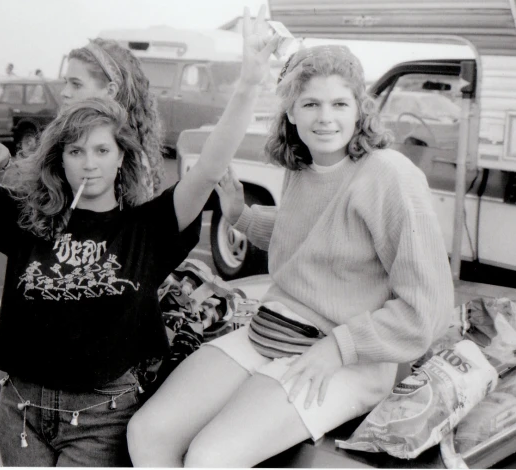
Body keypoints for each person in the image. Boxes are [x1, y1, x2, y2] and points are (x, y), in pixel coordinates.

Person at [0, 5, 278, 467]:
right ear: (59, 160)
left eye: (102, 150)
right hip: (22, 413)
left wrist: (247, 84)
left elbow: (208, 166)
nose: (89, 162)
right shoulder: (29, 221)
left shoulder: (146, 228)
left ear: (122, 158)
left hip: (101, 418)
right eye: (76, 150)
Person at [125, 44, 456, 468]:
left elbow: (427, 309)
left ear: (360, 109)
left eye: (340, 103)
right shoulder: (303, 168)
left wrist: (337, 349)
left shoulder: (389, 175)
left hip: (348, 356)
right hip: (272, 331)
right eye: (311, 104)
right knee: (147, 431)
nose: (325, 117)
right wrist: (240, 216)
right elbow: (309, 233)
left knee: (210, 457)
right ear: (291, 114)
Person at [0, 34, 172, 465]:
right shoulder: (78, 139)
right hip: (53, 293)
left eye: (75, 83)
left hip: (90, 313)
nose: (65, 92)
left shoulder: (125, 158)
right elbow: (45, 192)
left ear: (109, 90)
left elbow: (117, 240)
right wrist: (2, 168)